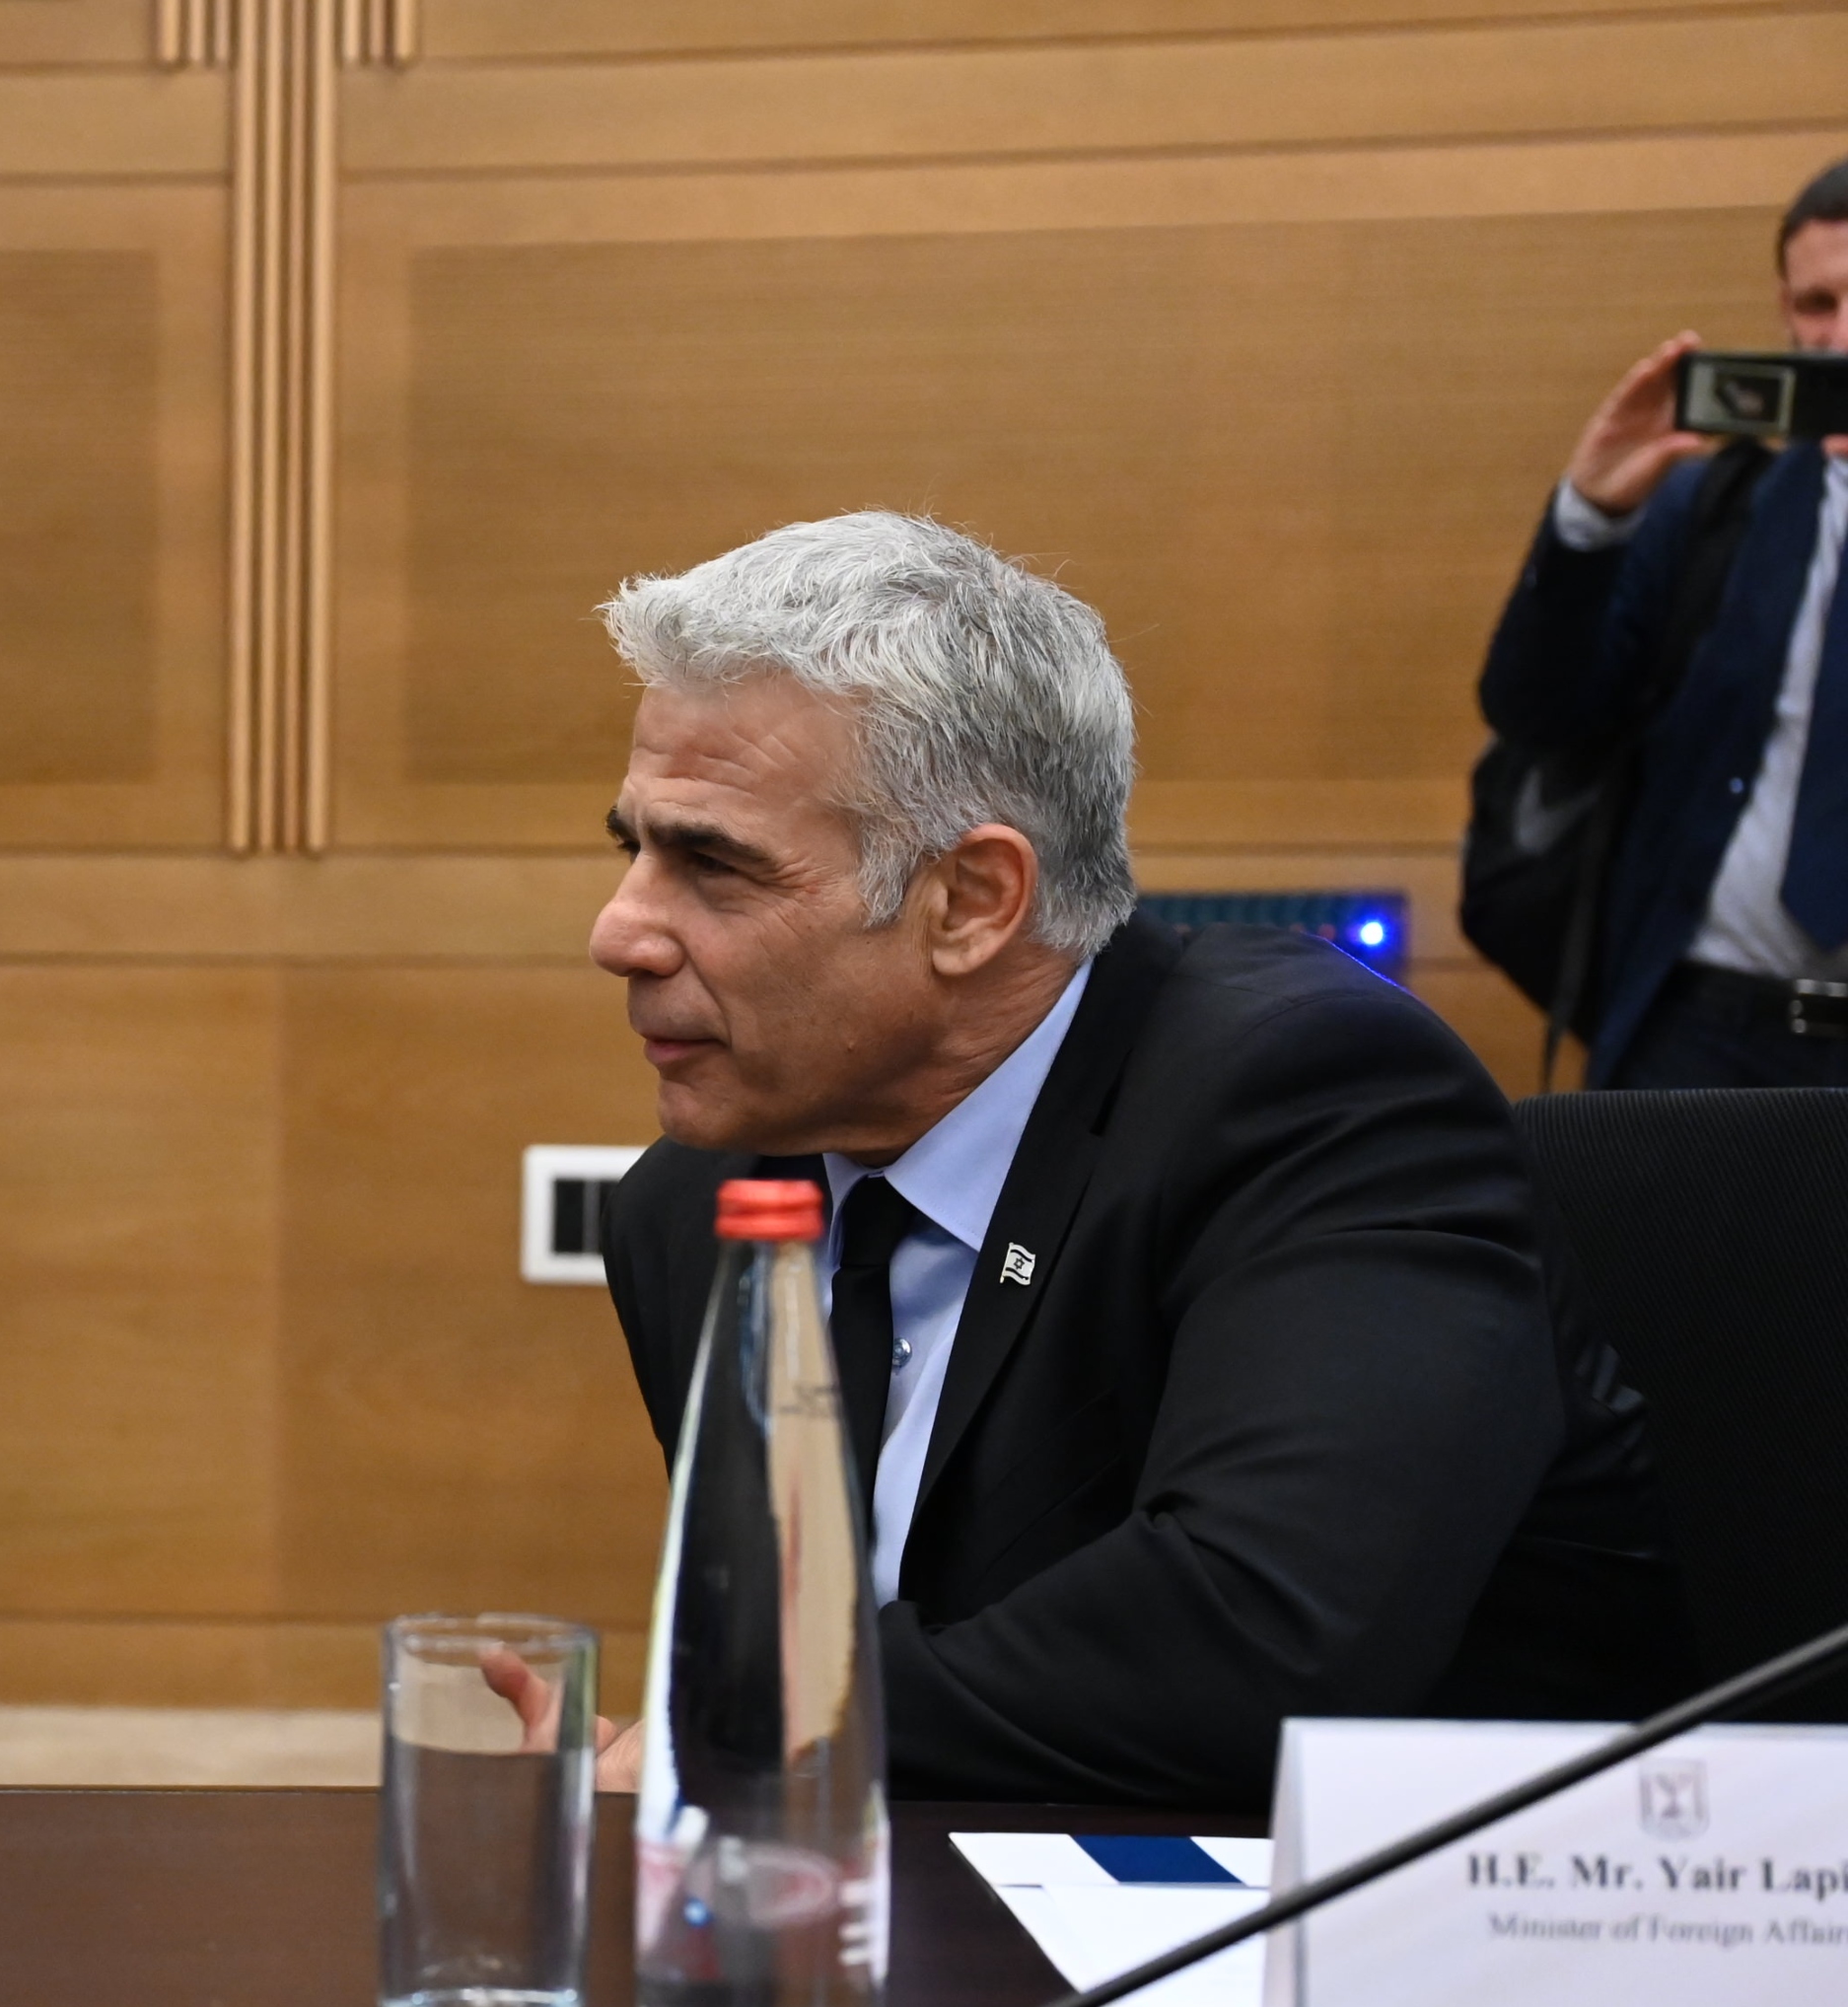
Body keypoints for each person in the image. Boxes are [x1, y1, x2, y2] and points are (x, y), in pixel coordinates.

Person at [572, 514, 1675, 1808]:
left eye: (713, 865)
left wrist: (740, 1728)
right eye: (635, 849)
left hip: (1441, 1900)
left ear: (971, 902)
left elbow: (1259, 1640)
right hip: (948, 1897)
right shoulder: (690, 1210)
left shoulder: (1312, 1101)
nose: (619, 932)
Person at [1480, 157, 1848, 1088]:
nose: (1842, 336)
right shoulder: (1721, 508)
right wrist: (1591, 519)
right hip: (1703, 1028)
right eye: (1819, 304)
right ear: (1785, 312)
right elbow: (1534, 710)